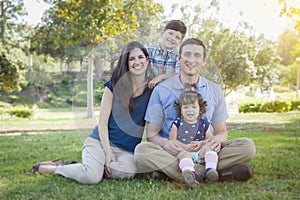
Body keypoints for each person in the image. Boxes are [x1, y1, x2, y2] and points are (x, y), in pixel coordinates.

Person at [134, 38, 256, 188]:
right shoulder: (161, 90)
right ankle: (216, 173)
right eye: (187, 54)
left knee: (247, 147)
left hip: (206, 151)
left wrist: (216, 141)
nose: (192, 60)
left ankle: (182, 172)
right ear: (179, 58)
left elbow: (222, 132)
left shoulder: (214, 90)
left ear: (203, 61)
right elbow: (151, 133)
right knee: (142, 151)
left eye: (197, 55)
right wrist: (166, 144)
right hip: (175, 153)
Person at [28, 41, 152, 184]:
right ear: (126, 63)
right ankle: (57, 168)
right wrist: (108, 153)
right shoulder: (113, 85)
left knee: (125, 174)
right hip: (99, 142)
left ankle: (88, 166)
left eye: (140, 57)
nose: (137, 62)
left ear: (147, 60)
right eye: (131, 59)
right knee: (91, 177)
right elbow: (102, 122)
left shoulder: (152, 90)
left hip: (126, 151)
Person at [168, 85, 219, 188]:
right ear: (181, 110)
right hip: (185, 151)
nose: (189, 110)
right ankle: (190, 174)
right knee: (183, 155)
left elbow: (209, 139)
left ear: (200, 109)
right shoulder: (177, 123)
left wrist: (201, 143)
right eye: (185, 107)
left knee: (210, 148)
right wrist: (184, 147)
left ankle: (210, 170)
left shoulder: (204, 123)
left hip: (200, 152)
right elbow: (172, 140)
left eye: (194, 107)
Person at [147, 19, 187, 89]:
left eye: (177, 37)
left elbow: (179, 74)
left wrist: (161, 77)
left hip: (168, 89)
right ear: (162, 33)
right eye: (170, 33)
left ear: (180, 42)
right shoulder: (150, 50)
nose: (172, 38)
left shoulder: (178, 56)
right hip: (149, 87)